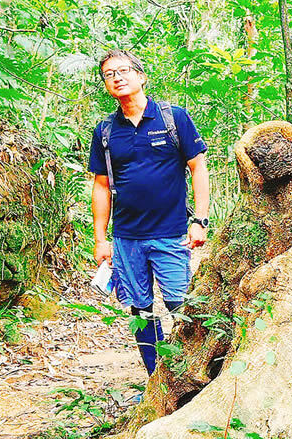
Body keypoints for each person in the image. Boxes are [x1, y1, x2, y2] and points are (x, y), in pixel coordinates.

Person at [88, 50, 210, 375]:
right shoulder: (105, 132)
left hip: (170, 234)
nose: (117, 77)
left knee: (179, 305)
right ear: (106, 85)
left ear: (141, 77)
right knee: (139, 309)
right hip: (126, 238)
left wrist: (200, 221)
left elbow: (198, 168)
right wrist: (101, 240)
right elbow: (101, 186)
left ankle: (192, 374)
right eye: (109, 74)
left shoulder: (174, 118)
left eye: (124, 70)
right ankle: (156, 379)